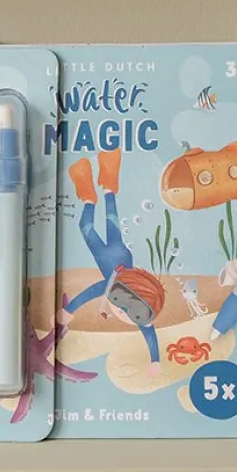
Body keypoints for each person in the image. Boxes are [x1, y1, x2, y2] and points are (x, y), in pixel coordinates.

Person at [58, 149, 166, 370]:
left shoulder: (139, 311)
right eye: (121, 303)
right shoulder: (122, 293)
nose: (121, 311)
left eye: (124, 310)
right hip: (113, 255)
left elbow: (149, 333)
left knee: (107, 220)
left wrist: (155, 360)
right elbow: (91, 292)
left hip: (119, 257)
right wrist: (69, 311)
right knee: (93, 224)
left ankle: (102, 186)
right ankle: (96, 191)